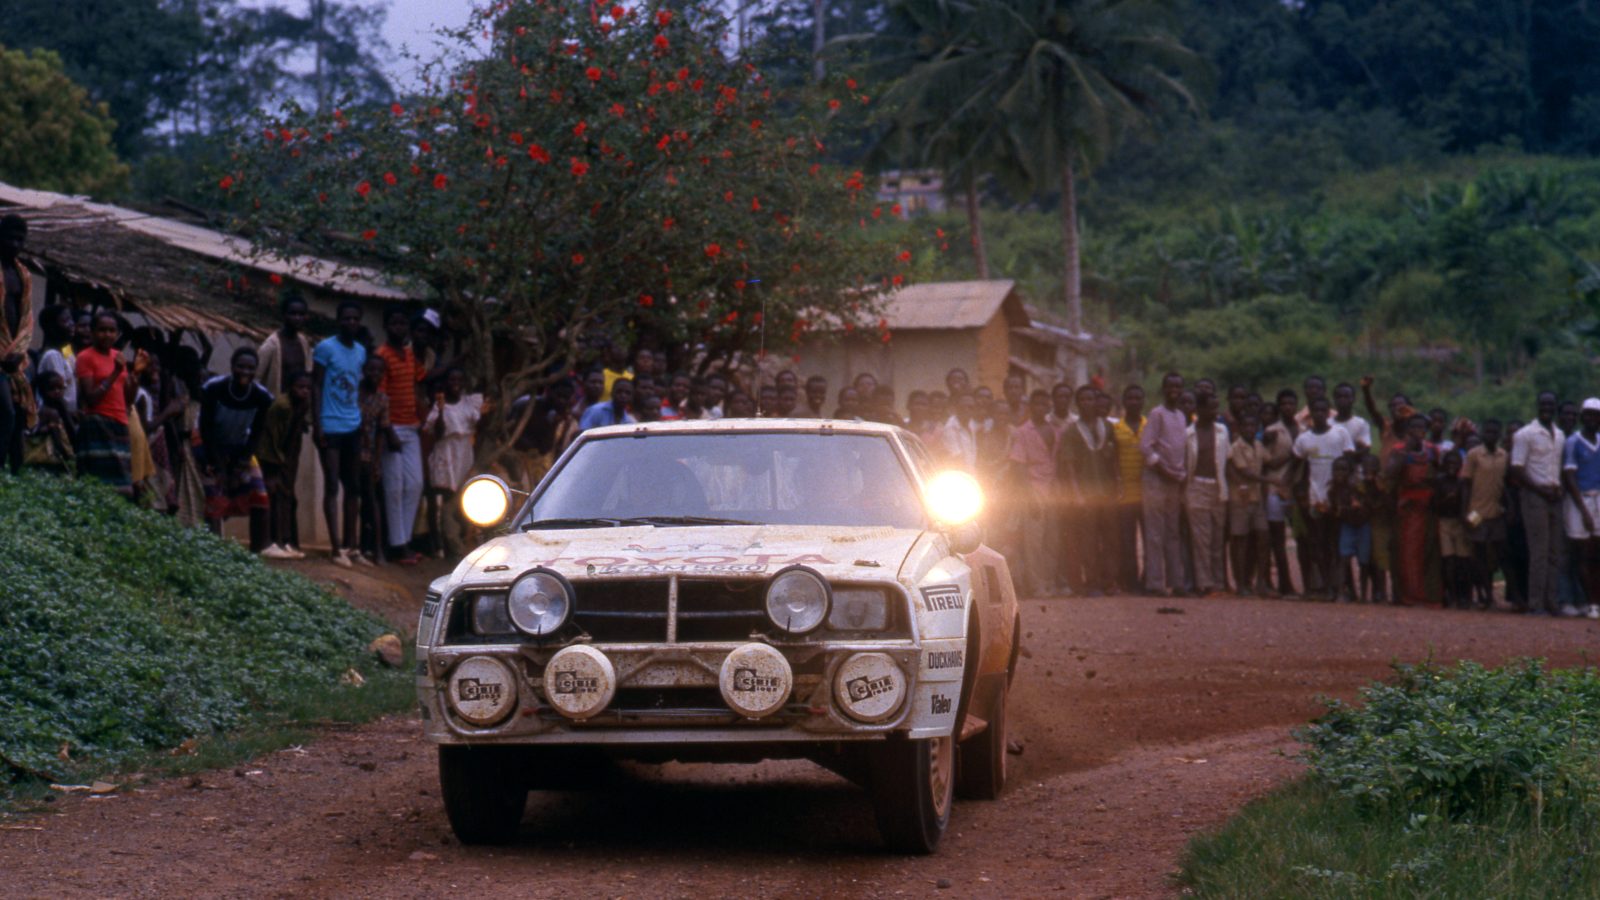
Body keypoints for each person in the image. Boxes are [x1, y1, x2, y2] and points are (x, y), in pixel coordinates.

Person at [199, 347, 274, 552]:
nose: (245, 372)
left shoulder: (262, 396)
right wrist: (219, 467)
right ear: (232, 366)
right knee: (214, 496)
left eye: (251, 368)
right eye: (241, 366)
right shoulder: (214, 388)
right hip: (210, 447)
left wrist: (240, 465)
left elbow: (257, 432)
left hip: (241, 448)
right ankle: (212, 551)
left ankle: (256, 554)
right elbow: (206, 429)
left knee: (260, 496)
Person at [312, 301, 368, 566]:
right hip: (330, 424)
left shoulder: (360, 351)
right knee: (332, 485)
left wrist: (361, 420)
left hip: (352, 425)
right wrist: (317, 425)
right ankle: (336, 549)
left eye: (355, 318)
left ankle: (351, 546)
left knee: (353, 486)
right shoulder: (325, 348)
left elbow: (358, 387)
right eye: (346, 318)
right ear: (339, 320)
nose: (351, 323)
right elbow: (316, 385)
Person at [375, 307, 427, 564]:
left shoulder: (409, 354)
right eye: (394, 323)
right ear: (386, 326)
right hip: (391, 429)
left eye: (403, 324)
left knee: (415, 484)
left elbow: (419, 382)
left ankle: (404, 540)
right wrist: (387, 430)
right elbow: (381, 396)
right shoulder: (381, 356)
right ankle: (397, 545)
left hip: (411, 426)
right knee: (394, 487)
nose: (399, 328)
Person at [1058, 384, 1120, 596]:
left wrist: (1117, 486)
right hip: (1086, 496)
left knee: (1110, 539)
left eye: (1091, 399)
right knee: (1089, 540)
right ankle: (1092, 583)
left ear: (1097, 402)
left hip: (1107, 493)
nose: (1087, 403)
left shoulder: (1108, 427)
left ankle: (1109, 581)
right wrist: (1077, 495)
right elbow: (1069, 467)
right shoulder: (1072, 432)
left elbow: (1114, 460)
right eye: (1083, 400)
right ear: (1077, 404)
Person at [1292, 397, 1354, 599]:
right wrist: (1300, 492)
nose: (1319, 414)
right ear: (1310, 414)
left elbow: (1349, 462)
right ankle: (1327, 585)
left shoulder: (1340, 433)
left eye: (1322, 410)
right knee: (1319, 543)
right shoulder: (1304, 439)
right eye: (1315, 410)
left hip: (1336, 499)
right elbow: (1297, 466)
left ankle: (1341, 587)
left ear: (1328, 413)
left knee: (1336, 544)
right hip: (1315, 498)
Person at [1510, 392, 1566, 615]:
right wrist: (1540, 489)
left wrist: (1557, 488)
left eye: (1551, 404)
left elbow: (1556, 466)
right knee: (1539, 552)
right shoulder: (1525, 434)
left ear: (1555, 407)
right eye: (1543, 404)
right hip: (1534, 496)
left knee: (1555, 552)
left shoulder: (1559, 435)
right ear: (1537, 406)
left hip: (1554, 495)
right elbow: (1517, 468)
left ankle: (1551, 600)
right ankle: (1536, 603)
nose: (1547, 408)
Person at [423, 368, 485, 557]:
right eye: (451, 380)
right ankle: (438, 544)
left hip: (463, 451)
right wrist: (441, 410)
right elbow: (438, 432)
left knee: (461, 496)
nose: (455, 385)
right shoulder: (439, 406)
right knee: (441, 498)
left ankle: (460, 540)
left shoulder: (469, 403)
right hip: (445, 451)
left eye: (459, 380)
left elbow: (479, 425)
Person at [74, 312, 137, 495]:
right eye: (102, 330)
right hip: (97, 422)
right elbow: (91, 398)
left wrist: (135, 378)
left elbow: (128, 399)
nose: (107, 335)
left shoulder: (118, 357)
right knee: (99, 485)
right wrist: (115, 373)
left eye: (111, 330)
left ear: (117, 334)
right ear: (93, 332)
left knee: (124, 486)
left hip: (120, 422)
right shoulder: (85, 357)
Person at [1139, 373, 1188, 596]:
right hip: (1156, 479)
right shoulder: (1157, 414)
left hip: (1174, 480)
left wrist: (1177, 474)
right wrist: (1164, 469)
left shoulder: (1181, 416)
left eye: (1178, 386)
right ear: (1164, 389)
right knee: (1155, 533)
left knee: (1172, 532)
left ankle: (1176, 582)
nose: (1174, 390)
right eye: (1170, 386)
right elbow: (1145, 447)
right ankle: (1155, 583)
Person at [1387, 413, 1439, 606]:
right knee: (1408, 552)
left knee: (1428, 551)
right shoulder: (1399, 449)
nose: (1418, 431)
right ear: (1408, 430)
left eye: (1422, 428)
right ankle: (1408, 595)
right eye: (1414, 427)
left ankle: (1429, 594)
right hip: (1407, 509)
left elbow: (1440, 473)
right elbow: (1390, 472)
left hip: (1428, 508)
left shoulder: (1432, 450)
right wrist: (1406, 451)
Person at [258, 371, 311, 559]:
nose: (305, 391)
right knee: (275, 495)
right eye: (300, 387)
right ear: (290, 387)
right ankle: (273, 541)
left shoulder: (302, 404)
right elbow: (271, 438)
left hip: (288, 454)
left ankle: (286, 540)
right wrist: (277, 463)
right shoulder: (282, 406)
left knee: (287, 496)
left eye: (308, 388)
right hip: (271, 455)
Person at [1185, 392, 1230, 595]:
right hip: (1196, 487)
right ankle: (1205, 583)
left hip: (1218, 487)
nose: (1215, 412)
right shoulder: (1189, 434)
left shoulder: (1222, 431)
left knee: (1217, 538)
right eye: (1211, 408)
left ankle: (1219, 582)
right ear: (1200, 409)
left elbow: (1227, 459)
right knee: (1201, 539)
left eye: (1216, 407)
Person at [0, 215, 35, 472]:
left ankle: (15, 474)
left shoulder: (22, 274)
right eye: (10, 238)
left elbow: (26, 318)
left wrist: (18, 351)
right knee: (6, 412)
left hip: (15, 356)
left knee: (20, 412)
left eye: (20, 240)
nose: (15, 244)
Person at [1462, 418, 1508, 609]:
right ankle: (1485, 594)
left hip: (1495, 513)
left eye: (1494, 432)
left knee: (1496, 555)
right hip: (1476, 513)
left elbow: (1504, 485)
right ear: (1482, 434)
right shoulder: (1473, 455)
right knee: (1478, 554)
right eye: (1487, 432)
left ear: (1499, 435)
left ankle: (1492, 594)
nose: (1491, 435)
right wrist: (1465, 513)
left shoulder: (1504, 455)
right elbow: (1465, 484)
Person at [1561, 398, 1600, 620]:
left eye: (1596, 415)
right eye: (1588, 414)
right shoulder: (1573, 442)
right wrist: (1584, 510)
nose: (1592, 419)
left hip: (1599, 498)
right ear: (1582, 416)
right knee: (1583, 554)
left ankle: (1594, 601)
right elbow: (1570, 476)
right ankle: (1589, 601)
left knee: (1596, 553)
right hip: (1580, 500)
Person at [1261, 389, 1300, 596]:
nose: (1288, 407)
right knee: (1278, 538)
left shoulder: (1303, 428)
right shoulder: (1272, 431)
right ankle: (1285, 583)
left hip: (1297, 490)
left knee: (1303, 538)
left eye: (1291, 403)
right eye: (1283, 404)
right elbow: (1265, 461)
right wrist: (1292, 457)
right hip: (1275, 488)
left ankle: (1310, 583)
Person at [1226, 410, 1269, 595]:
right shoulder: (1236, 447)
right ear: (1240, 428)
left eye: (1253, 426)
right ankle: (1241, 584)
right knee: (1240, 542)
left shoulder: (1259, 445)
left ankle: (1261, 582)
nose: (1249, 429)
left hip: (1257, 498)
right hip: (1240, 499)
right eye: (1246, 426)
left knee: (1263, 538)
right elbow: (1244, 472)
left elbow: (1268, 462)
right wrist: (1271, 481)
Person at [1111, 385, 1146, 592]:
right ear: (1124, 402)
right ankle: (1130, 581)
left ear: (1143, 401)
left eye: (1138, 398)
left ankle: (1148, 579)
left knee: (1149, 540)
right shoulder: (1116, 429)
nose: (1134, 402)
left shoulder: (1149, 426)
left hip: (1147, 494)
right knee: (1127, 540)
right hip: (1124, 494)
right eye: (1130, 398)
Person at [1432, 451, 1472, 608]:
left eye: (1455, 464)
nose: (1452, 467)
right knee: (1448, 560)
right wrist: (1445, 500)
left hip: (1460, 524)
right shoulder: (1440, 482)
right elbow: (1434, 505)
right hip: (1444, 522)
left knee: (1463, 561)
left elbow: (1466, 506)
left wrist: (1469, 523)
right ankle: (1451, 594)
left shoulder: (1462, 483)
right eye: (1449, 463)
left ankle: (1464, 595)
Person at [256, 293, 312, 397]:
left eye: (301, 314)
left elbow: (308, 372)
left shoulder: (303, 342)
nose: (297, 318)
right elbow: (256, 376)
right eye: (293, 314)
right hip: (274, 401)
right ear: (284, 315)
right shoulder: (271, 345)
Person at [24, 370, 74, 472]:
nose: (57, 392)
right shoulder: (47, 412)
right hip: (47, 459)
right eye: (52, 389)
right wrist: (66, 457)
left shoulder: (62, 408)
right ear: (43, 391)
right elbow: (57, 441)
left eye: (60, 388)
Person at [34, 305, 77, 415]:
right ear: (52, 328)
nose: (72, 324)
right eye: (65, 321)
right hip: (60, 416)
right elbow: (57, 396)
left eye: (71, 319)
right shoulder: (52, 355)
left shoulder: (66, 351)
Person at [940, 391, 979, 471]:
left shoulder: (972, 424)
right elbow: (957, 458)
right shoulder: (950, 428)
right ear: (956, 408)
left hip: (972, 473)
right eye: (963, 407)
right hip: (959, 473)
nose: (966, 410)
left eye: (970, 407)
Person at [1331, 382, 1372, 453]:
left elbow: (1366, 448)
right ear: (1334, 399)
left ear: (1353, 399)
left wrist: (1348, 455)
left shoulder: (1361, 423)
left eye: (1346, 397)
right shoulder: (1327, 423)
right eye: (1339, 396)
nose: (1342, 399)